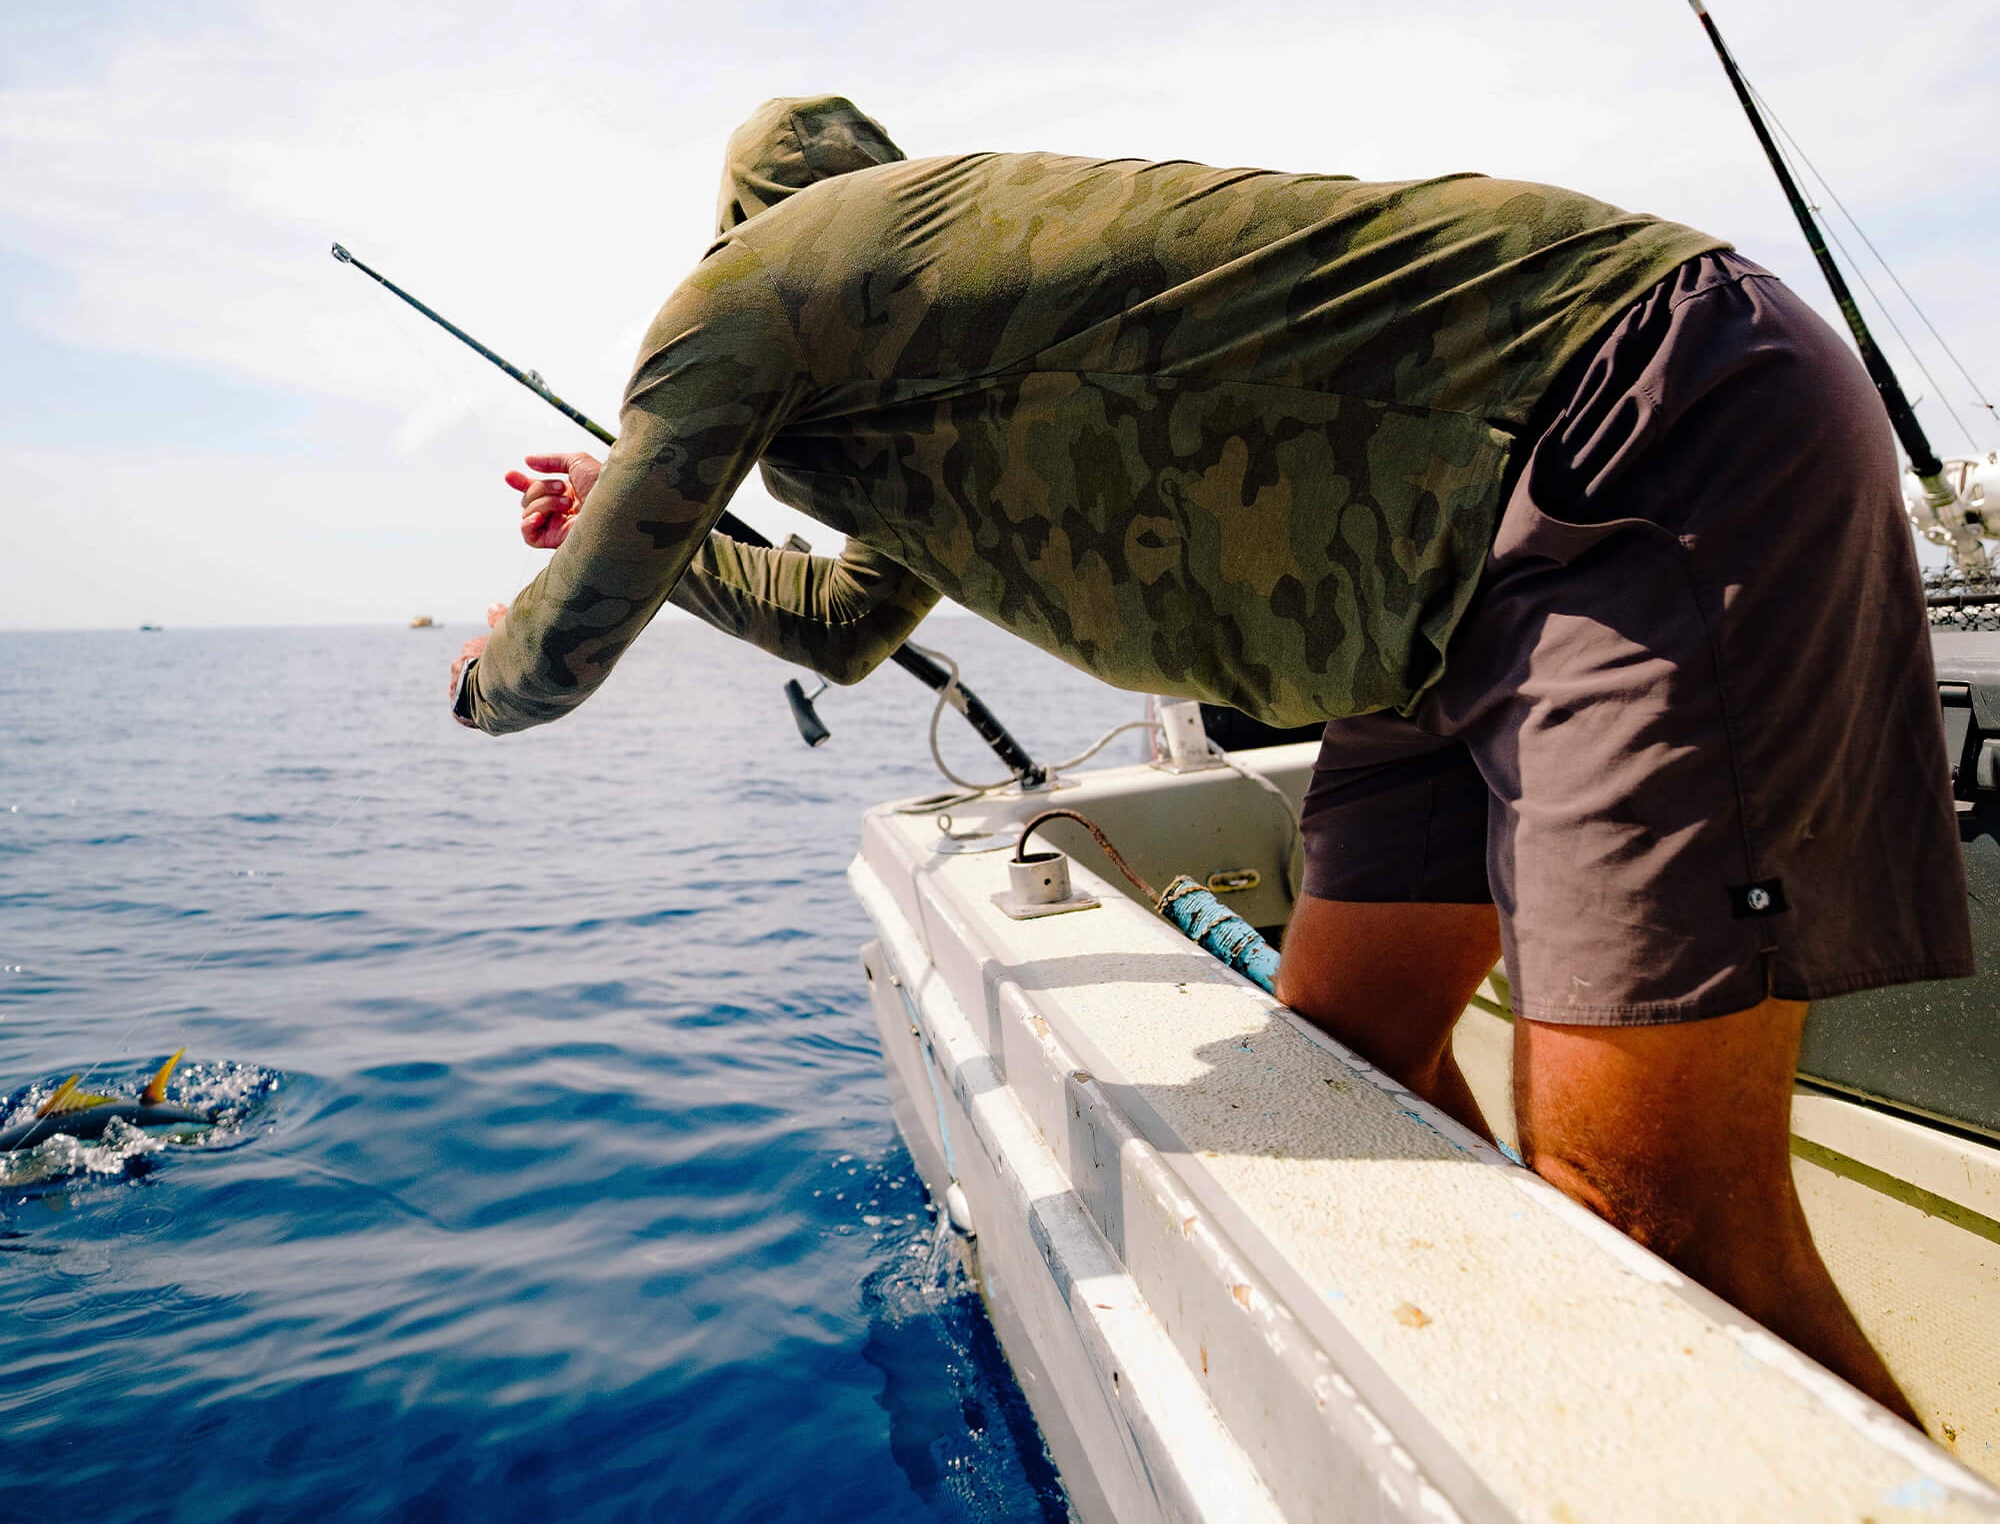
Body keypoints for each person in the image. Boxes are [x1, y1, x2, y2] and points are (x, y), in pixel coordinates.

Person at [449, 94, 1969, 1423]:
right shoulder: (928, 358)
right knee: (1347, 1059)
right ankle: (1528, 1404)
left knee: (1666, 1213)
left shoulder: (758, 286)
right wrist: (643, 516)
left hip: (1630, 436)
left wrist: (485, 668)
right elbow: (850, 621)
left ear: (742, 228)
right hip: (1428, 616)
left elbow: (560, 654)